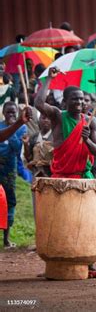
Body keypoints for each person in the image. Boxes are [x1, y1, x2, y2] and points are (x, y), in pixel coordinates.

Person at [35, 68, 96, 277]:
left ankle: (89, 264)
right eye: (75, 99)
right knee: (59, 224)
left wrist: (87, 139)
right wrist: (49, 79)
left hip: (84, 179)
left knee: (87, 223)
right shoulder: (57, 116)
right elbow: (38, 103)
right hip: (61, 179)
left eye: (82, 99)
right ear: (65, 101)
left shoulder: (91, 122)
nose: (80, 103)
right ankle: (55, 261)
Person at [0, 102, 31, 248]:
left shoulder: (21, 128)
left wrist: (14, 128)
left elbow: (17, 148)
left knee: (9, 200)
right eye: (8, 112)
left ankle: (6, 239)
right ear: (3, 113)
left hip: (9, 168)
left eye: (14, 113)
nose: (11, 115)